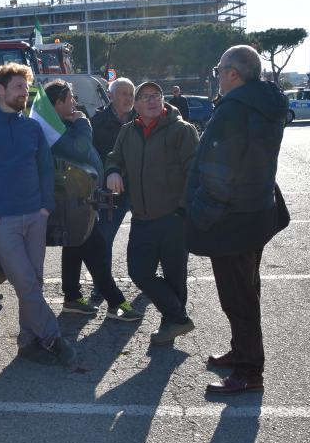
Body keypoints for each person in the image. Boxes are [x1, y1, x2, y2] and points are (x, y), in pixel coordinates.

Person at [184, 45, 289, 395]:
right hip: (256, 213)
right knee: (247, 290)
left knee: (238, 297)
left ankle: (248, 372)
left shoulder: (234, 110)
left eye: (218, 69)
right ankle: (241, 352)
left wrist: (199, 213)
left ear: (233, 73)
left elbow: (219, 172)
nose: (217, 75)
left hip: (232, 220)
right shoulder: (265, 104)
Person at [0, 63, 77, 367]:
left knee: (34, 281)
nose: (24, 93)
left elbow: (45, 169)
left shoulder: (32, 128)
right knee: (25, 281)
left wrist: (45, 207)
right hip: (3, 221)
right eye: (17, 87)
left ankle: (28, 342)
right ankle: (53, 337)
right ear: (0, 90)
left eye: (26, 88)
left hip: (35, 216)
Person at [105, 81, 198, 345]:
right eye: (145, 97)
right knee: (139, 272)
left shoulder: (182, 130)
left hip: (174, 218)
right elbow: (114, 157)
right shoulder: (127, 131)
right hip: (142, 218)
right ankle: (178, 318)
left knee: (175, 277)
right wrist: (112, 171)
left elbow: (195, 172)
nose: (152, 101)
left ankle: (170, 326)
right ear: (135, 104)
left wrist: (183, 209)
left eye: (156, 96)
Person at [44, 80, 142, 322]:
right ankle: (115, 302)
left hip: (80, 197)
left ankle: (72, 298)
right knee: (95, 248)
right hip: (75, 199)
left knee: (75, 246)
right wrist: (82, 122)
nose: (74, 103)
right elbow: (80, 148)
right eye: (70, 99)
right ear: (58, 103)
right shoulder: (55, 127)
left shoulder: (59, 124)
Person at [90, 77, 136, 300]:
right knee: (104, 238)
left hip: (139, 188)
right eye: (123, 93)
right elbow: (92, 155)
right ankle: (101, 284)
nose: (128, 98)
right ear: (111, 95)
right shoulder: (97, 121)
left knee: (147, 235)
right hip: (111, 192)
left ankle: (146, 277)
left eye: (131, 94)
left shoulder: (142, 118)